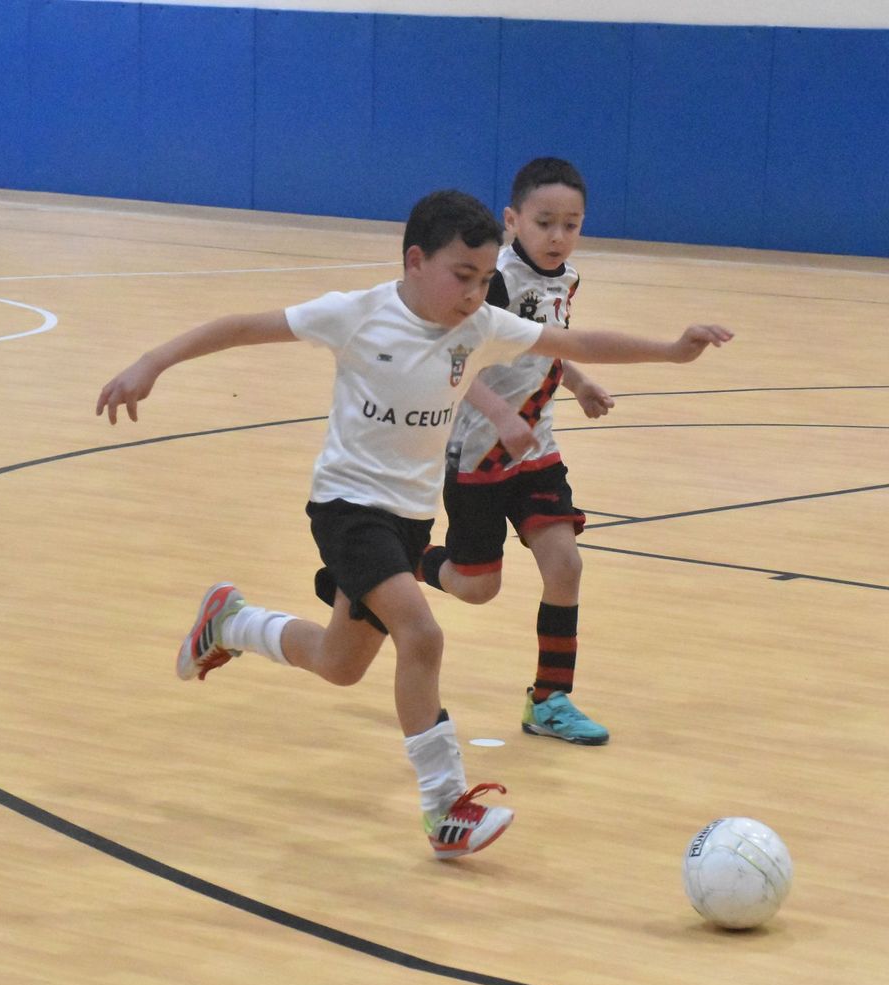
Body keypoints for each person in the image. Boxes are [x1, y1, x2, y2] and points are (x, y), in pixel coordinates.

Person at [96, 189, 732, 860]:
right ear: (415, 260)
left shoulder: (478, 327)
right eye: (463, 276)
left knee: (339, 665)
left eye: (486, 279)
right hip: (347, 508)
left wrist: (670, 350)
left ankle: (229, 622)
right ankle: (444, 809)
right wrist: (151, 363)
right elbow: (241, 326)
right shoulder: (356, 314)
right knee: (421, 635)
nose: (475, 292)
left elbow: (574, 341)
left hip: (408, 519)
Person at [419, 158, 615, 745]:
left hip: (537, 451)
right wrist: (501, 413)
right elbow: (448, 358)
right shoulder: (492, 282)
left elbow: (543, 343)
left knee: (566, 565)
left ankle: (549, 700)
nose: (558, 236)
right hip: (479, 452)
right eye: (545, 222)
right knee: (477, 587)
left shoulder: (566, 279)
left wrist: (576, 382)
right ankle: (394, 564)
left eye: (571, 224)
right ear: (512, 220)